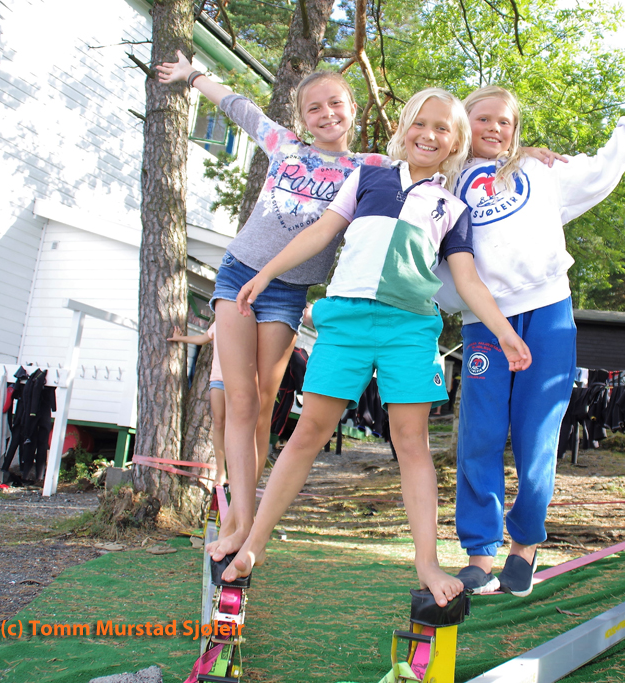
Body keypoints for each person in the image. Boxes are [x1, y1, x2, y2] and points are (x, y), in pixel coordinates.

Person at [218, 88, 533, 607]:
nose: (428, 135)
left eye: (442, 129)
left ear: (456, 142)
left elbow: (468, 280)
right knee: (308, 432)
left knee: (411, 443)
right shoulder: (367, 177)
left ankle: (427, 561)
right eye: (420, 124)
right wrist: (265, 273)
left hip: (409, 330)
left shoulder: (452, 208)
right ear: (404, 129)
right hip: (345, 323)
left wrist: (504, 330)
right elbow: (321, 232)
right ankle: (253, 542)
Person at [433, 68, 625, 597]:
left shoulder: (540, 171)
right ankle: (479, 554)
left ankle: (524, 548)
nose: (494, 128)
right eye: (483, 118)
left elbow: (605, 168)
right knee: (481, 435)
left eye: (505, 121)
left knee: (537, 433)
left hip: (548, 312)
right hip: (484, 322)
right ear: (464, 124)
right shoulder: (445, 180)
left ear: (516, 129)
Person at [156, 51, 389, 560]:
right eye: (314, 108)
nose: (326, 114)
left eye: (335, 103)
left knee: (263, 403)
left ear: (353, 108)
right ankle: (238, 518)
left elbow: (431, 155)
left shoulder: (370, 168)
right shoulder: (285, 146)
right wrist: (192, 75)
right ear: (301, 118)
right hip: (238, 272)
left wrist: (511, 152)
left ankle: (246, 516)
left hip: (286, 292)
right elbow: (238, 107)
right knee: (238, 400)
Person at [167, 321, 228, 487]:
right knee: (218, 422)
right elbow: (202, 338)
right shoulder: (218, 322)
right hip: (218, 379)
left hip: (237, 380)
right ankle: (221, 471)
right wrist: (180, 338)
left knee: (235, 425)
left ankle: (234, 469)